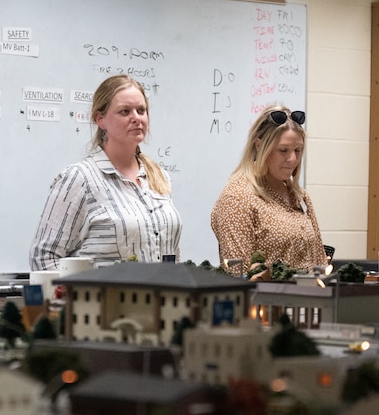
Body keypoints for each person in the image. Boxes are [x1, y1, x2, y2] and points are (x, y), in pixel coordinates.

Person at [29, 75, 181, 270]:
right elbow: (43, 258)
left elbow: (172, 252)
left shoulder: (158, 176)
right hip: (103, 300)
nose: (136, 118)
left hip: (163, 298)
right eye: (125, 111)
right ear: (100, 119)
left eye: (141, 110)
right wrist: (80, 297)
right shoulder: (79, 179)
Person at [210, 106, 327, 276]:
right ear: (259, 145)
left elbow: (320, 262)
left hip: (309, 300)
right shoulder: (238, 198)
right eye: (283, 150)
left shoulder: (300, 197)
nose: (293, 159)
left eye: (298, 150)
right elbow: (238, 275)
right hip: (266, 301)